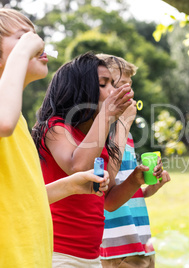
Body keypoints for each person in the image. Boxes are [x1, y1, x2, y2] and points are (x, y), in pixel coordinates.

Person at [31, 52, 167, 267]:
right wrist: (107, 115)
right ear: (79, 89)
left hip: (91, 255)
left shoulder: (97, 139)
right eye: (104, 84)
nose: (114, 91)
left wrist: (136, 179)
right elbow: (78, 168)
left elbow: (108, 200)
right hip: (58, 251)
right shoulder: (54, 128)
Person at [0, 8, 109, 268]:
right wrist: (23, 51)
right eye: (22, 35)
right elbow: (3, 122)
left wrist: (70, 185)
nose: (37, 42)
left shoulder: (19, 120)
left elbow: (21, 197)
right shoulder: (7, 117)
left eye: (34, 35)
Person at [96, 54, 171, 268]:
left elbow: (125, 188)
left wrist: (149, 188)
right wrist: (124, 123)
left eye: (130, 86)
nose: (128, 93)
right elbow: (105, 192)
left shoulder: (125, 134)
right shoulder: (99, 132)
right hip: (114, 246)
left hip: (140, 239)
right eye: (120, 86)